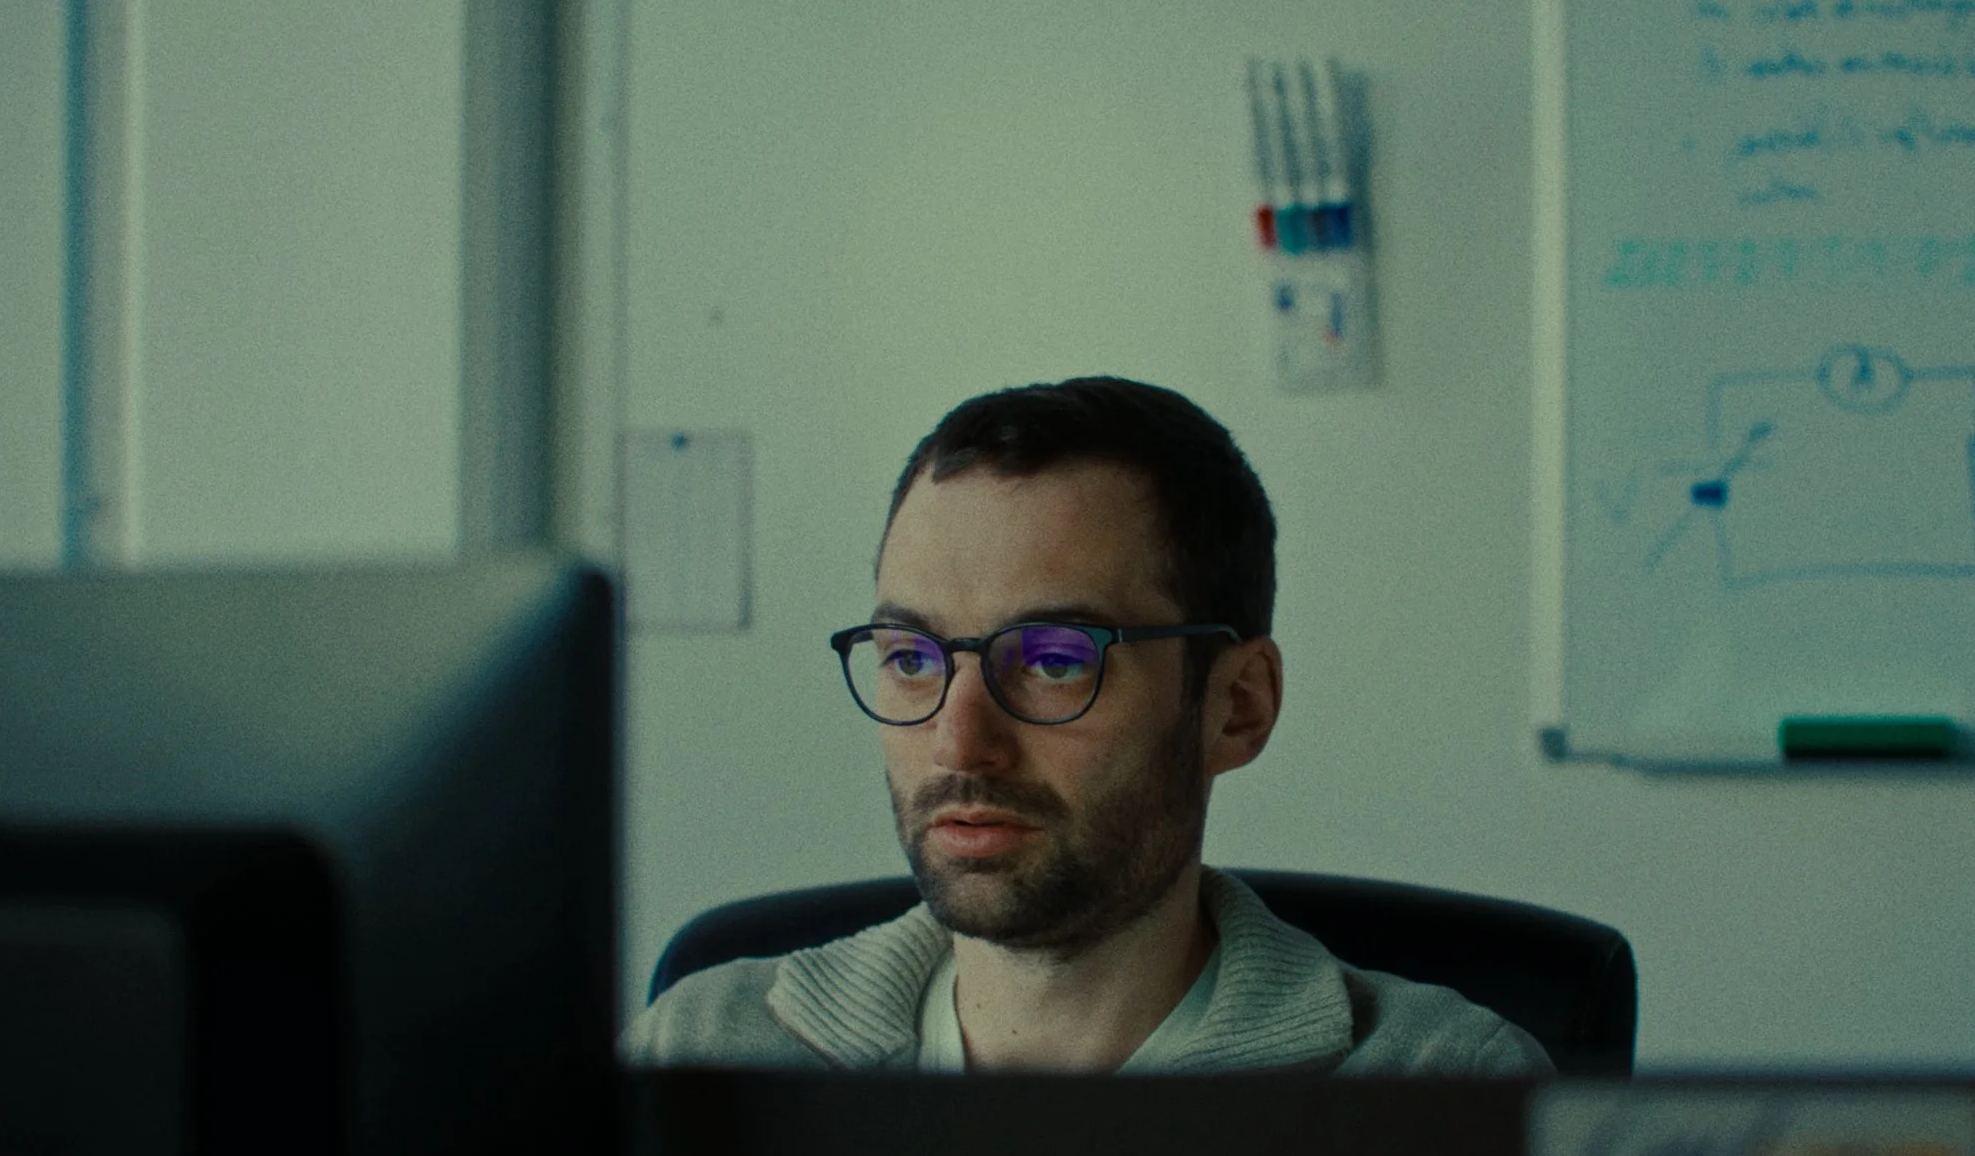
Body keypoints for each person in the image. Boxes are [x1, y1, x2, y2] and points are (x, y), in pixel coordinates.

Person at [624, 376, 1551, 1075]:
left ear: (1238, 706)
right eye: (912, 660)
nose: (958, 744)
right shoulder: (701, 1057)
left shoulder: (1441, 1090)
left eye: (1056, 659)